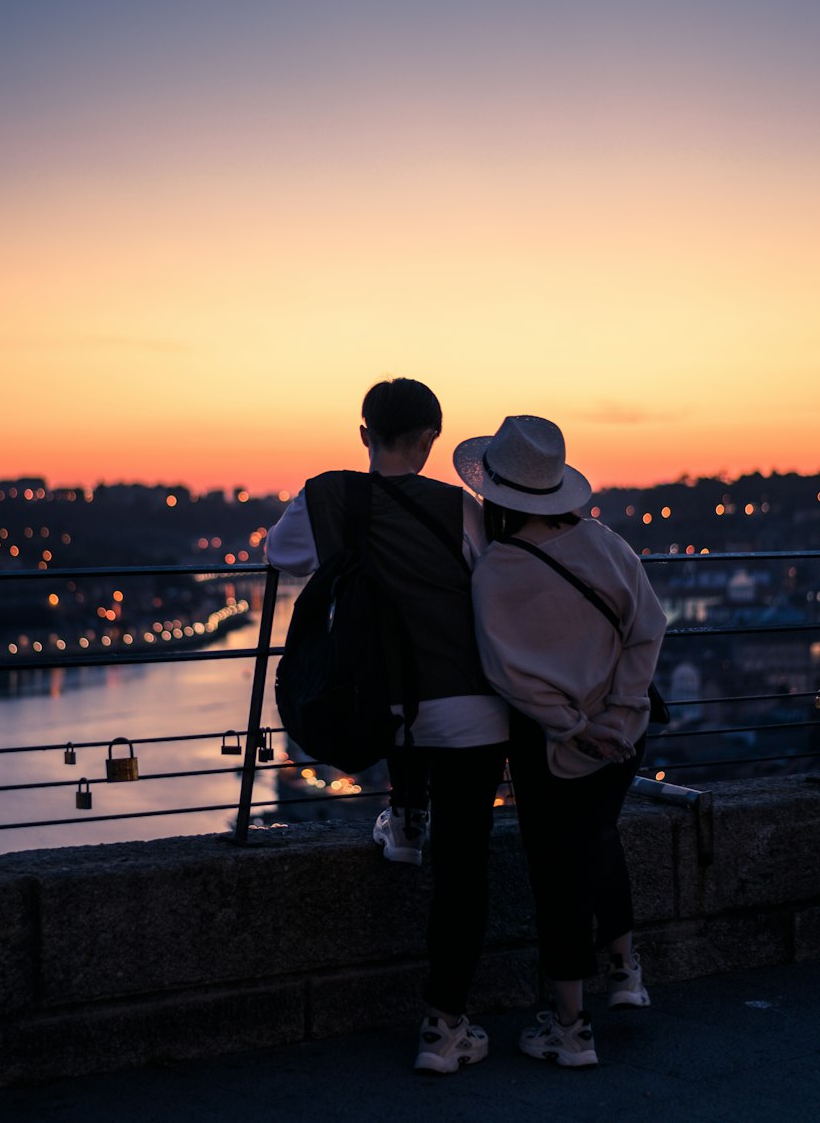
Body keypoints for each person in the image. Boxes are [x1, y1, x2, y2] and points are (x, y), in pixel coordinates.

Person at [266, 377, 508, 1074]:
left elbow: (279, 556)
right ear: (432, 442)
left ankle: (404, 818)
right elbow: (487, 590)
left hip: (381, 705)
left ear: (364, 434)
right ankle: (444, 1027)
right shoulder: (461, 509)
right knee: (464, 871)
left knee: (403, 714)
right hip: (467, 706)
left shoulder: (327, 495)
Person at [453, 414, 666, 1068]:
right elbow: (649, 625)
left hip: (556, 746)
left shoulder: (496, 570)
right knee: (599, 842)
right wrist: (621, 713)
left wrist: (576, 727)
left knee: (558, 875)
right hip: (625, 734)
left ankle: (571, 1028)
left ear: (495, 491)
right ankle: (625, 970)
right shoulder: (605, 543)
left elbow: (510, 676)